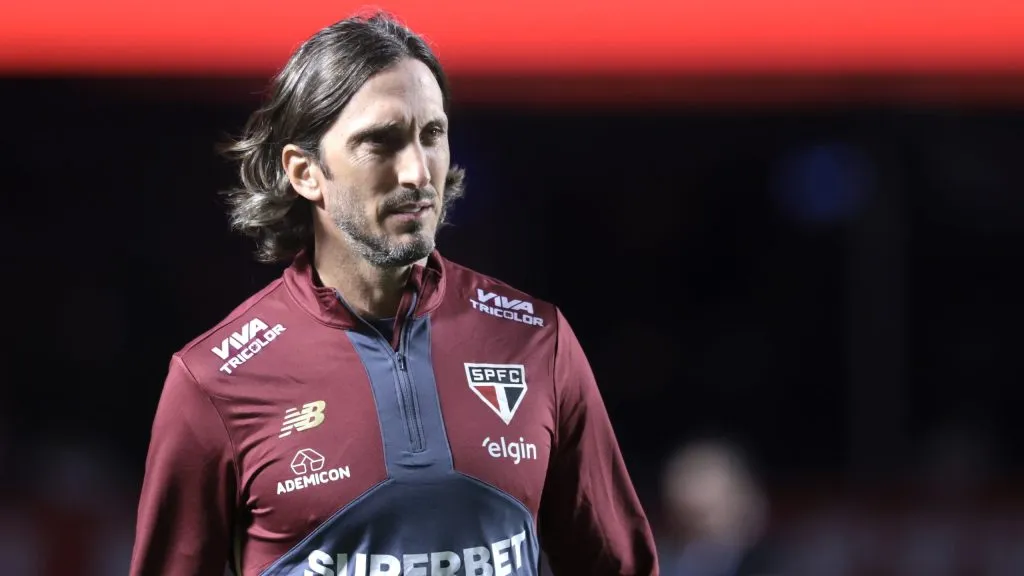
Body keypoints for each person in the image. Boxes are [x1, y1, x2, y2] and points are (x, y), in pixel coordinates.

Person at [129, 11, 657, 576]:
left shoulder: (537, 340)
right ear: (305, 172)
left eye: (432, 135)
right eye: (381, 142)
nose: (416, 172)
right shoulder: (212, 381)